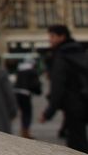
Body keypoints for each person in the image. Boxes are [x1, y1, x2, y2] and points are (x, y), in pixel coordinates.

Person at [39, 24, 88, 152]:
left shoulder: (60, 56)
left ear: (62, 37)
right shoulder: (80, 51)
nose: (50, 39)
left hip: (73, 105)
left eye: (52, 36)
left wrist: (48, 112)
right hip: (84, 99)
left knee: (77, 144)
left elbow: (58, 87)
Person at [14, 60, 41, 139]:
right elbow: (35, 84)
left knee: (23, 113)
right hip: (25, 93)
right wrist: (38, 91)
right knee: (27, 113)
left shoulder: (20, 69)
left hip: (17, 92)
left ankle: (23, 131)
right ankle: (26, 132)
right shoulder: (32, 71)